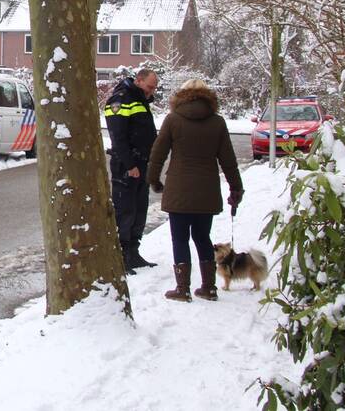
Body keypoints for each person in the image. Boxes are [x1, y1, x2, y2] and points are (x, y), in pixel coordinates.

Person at [147, 79, 244, 302]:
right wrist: (236, 188)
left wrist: (153, 179)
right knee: (202, 237)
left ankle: (182, 289)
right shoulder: (217, 122)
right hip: (206, 190)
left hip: (179, 189)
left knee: (180, 239)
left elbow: (158, 153)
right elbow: (228, 160)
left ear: (182, 95)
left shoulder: (173, 119)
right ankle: (209, 288)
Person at [104, 68, 159, 274]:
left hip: (142, 163)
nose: (151, 91)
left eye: (154, 88)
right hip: (126, 166)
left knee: (139, 209)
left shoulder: (140, 100)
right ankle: (121, 255)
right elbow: (118, 137)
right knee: (125, 211)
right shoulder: (120, 100)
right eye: (149, 86)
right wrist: (129, 165)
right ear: (139, 80)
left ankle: (133, 252)